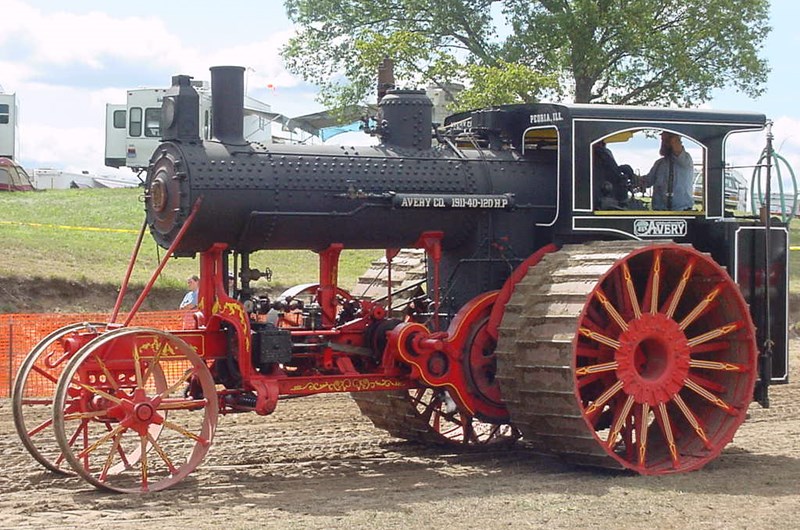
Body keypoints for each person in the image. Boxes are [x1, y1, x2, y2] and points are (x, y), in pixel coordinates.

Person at [639, 132, 694, 211]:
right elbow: (647, 181)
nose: (664, 143)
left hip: (681, 212)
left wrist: (673, 139)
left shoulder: (686, 160)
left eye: (668, 140)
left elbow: (677, 151)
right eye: (663, 140)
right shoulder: (659, 163)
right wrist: (635, 179)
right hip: (660, 211)